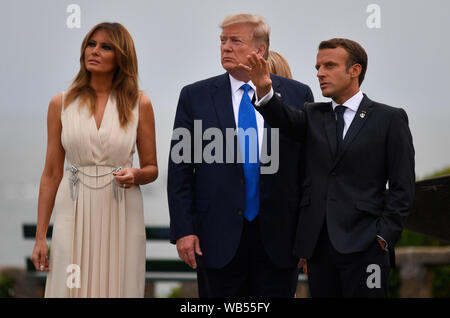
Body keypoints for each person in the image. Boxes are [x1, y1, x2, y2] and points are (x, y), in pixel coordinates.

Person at [243, 38, 415, 297]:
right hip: (320, 249)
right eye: (318, 67)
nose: (320, 73)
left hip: (367, 248)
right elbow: (282, 118)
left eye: (329, 66)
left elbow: (403, 188)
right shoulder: (312, 114)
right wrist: (264, 88)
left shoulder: (389, 119)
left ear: (354, 70)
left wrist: (383, 238)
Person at [167, 14, 314, 297]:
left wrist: (306, 237)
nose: (225, 47)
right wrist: (184, 230)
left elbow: (309, 172)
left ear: (259, 50)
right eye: (223, 40)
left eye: (236, 41)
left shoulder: (298, 94)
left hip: (281, 240)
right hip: (215, 238)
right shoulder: (194, 96)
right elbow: (180, 169)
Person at [31, 22, 158, 297]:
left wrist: (135, 175)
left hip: (122, 207)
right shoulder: (61, 104)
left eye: (105, 46)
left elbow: (152, 168)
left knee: (119, 285)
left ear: (121, 56)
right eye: (91, 44)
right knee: (69, 284)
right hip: (72, 207)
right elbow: (52, 173)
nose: (95, 51)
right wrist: (41, 237)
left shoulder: (140, 104)